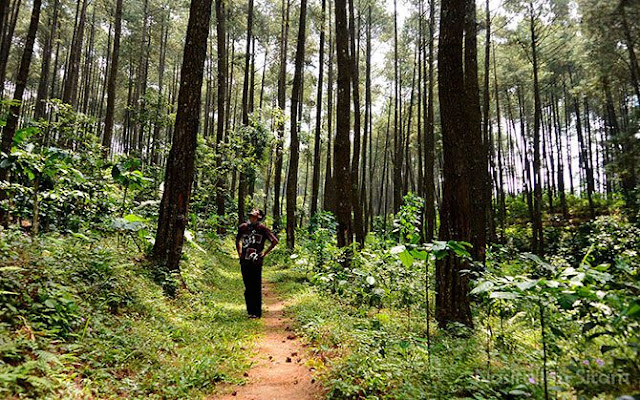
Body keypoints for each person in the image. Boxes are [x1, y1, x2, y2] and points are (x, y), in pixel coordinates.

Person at [235, 208, 278, 318]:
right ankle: (250, 312)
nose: (252, 218)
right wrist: (239, 253)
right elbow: (237, 240)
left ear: (258, 218)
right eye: (251, 216)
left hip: (256, 261)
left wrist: (264, 253)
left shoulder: (262, 228)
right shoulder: (243, 227)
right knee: (247, 286)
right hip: (245, 261)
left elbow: (274, 241)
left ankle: (257, 313)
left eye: (254, 217)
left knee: (256, 286)